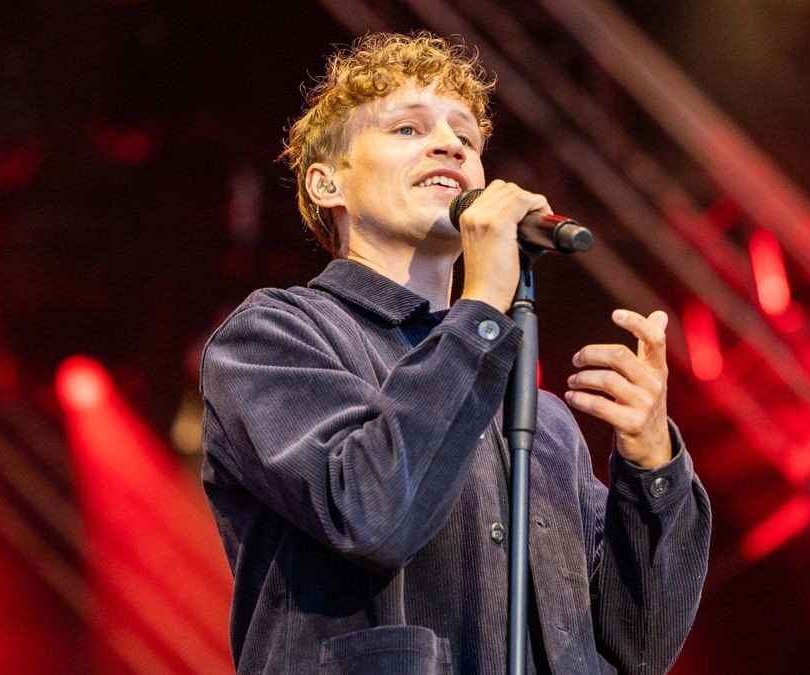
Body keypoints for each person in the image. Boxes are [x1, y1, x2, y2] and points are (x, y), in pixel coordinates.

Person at [200, 32, 710, 674]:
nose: (449, 146)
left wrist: (650, 464)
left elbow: (639, 645)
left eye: (466, 140)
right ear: (327, 183)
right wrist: (483, 304)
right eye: (408, 129)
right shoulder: (273, 338)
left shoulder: (540, 419)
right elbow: (372, 514)